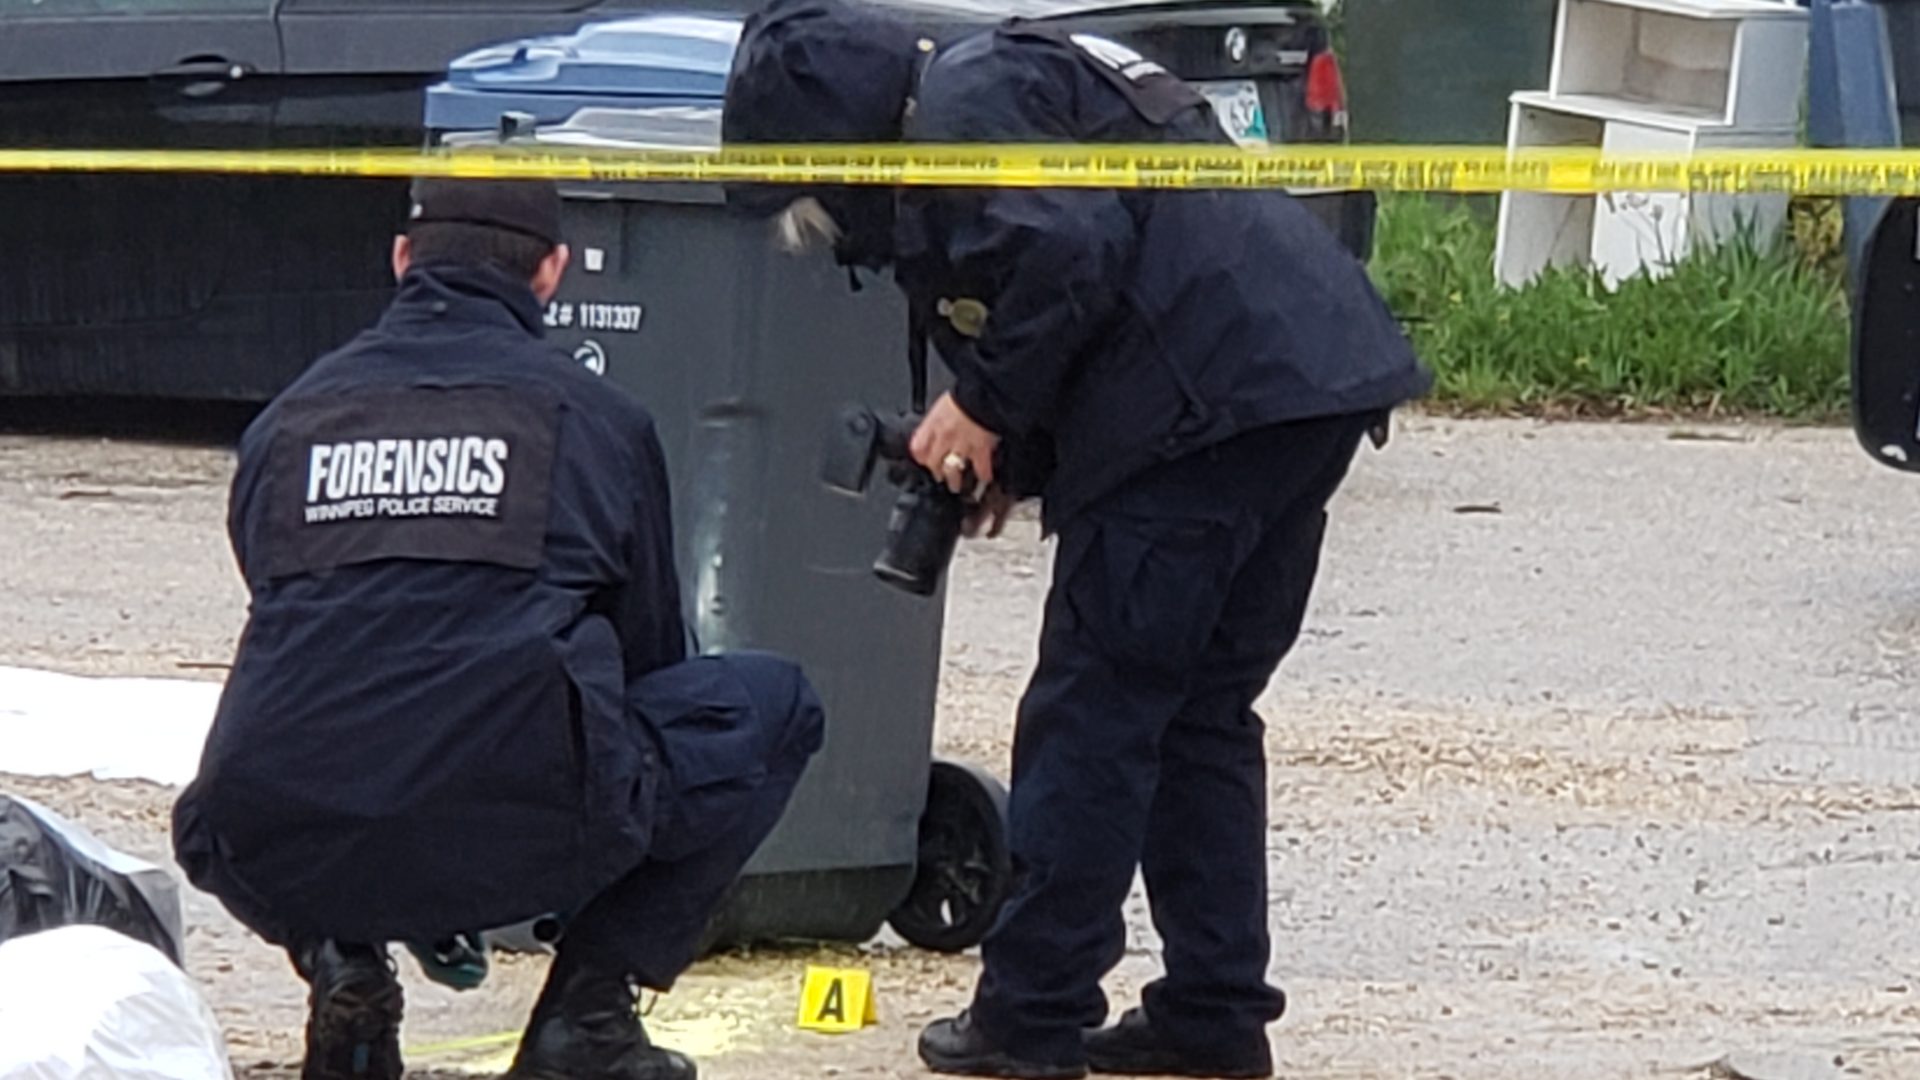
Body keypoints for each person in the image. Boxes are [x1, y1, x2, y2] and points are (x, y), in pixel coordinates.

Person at [723, 3, 1433, 1078]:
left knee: (1092, 719)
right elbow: (1123, 258)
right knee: (1199, 717)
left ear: (842, 136)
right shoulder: (1005, 74)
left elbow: (1073, 246)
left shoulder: (962, 109)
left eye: (823, 197)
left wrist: (991, 407)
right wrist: (1020, 450)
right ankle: (1211, 1014)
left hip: (1206, 407)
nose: (833, 228)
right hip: (1296, 383)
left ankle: (1030, 1015)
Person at [172, 178, 825, 1080]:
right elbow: (648, 660)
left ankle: (342, 965)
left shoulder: (288, 420)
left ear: (403, 260)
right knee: (776, 705)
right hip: (534, 827)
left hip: (284, 836)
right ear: (551, 274)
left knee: (230, 797)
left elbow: (299, 621)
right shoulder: (598, 419)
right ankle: (587, 1014)